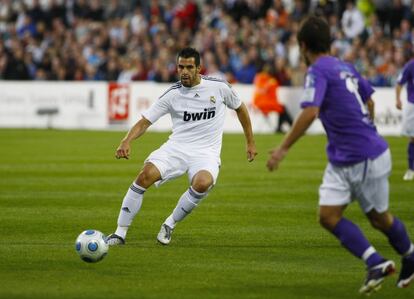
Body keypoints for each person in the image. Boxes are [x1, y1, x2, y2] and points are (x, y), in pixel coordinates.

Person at [266, 16, 414, 294]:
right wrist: (368, 127)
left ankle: (407, 256)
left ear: (303, 45)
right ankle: (376, 261)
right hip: (348, 155)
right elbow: (369, 99)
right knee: (328, 215)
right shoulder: (345, 67)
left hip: (361, 156)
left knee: (378, 218)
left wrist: (283, 148)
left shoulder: (317, 71)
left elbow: (311, 111)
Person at [107, 47, 257, 246]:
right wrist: (126, 141)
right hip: (176, 148)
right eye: (180, 67)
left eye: (189, 67)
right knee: (144, 176)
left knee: (203, 182)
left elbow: (241, 108)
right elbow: (145, 121)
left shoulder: (219, 87)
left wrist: (250, 141)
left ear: (198, 68)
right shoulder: (172, 94)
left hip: (206, 152)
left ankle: (169, 224)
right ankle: (120, 233)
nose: (184, 71)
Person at [252, 63, 293, 133]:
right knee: (282, 109)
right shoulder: (272, 81)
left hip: (257, 103)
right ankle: (290, 126)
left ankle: (282, 128)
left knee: (282, 109)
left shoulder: (258, 77)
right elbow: (280, 84)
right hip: (266, 103)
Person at [395, 60, 414, 181]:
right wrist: (397, 99)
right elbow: (399, 83)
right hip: (413, 105)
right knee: (413, 137)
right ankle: (411, 169)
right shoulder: (410, 65)